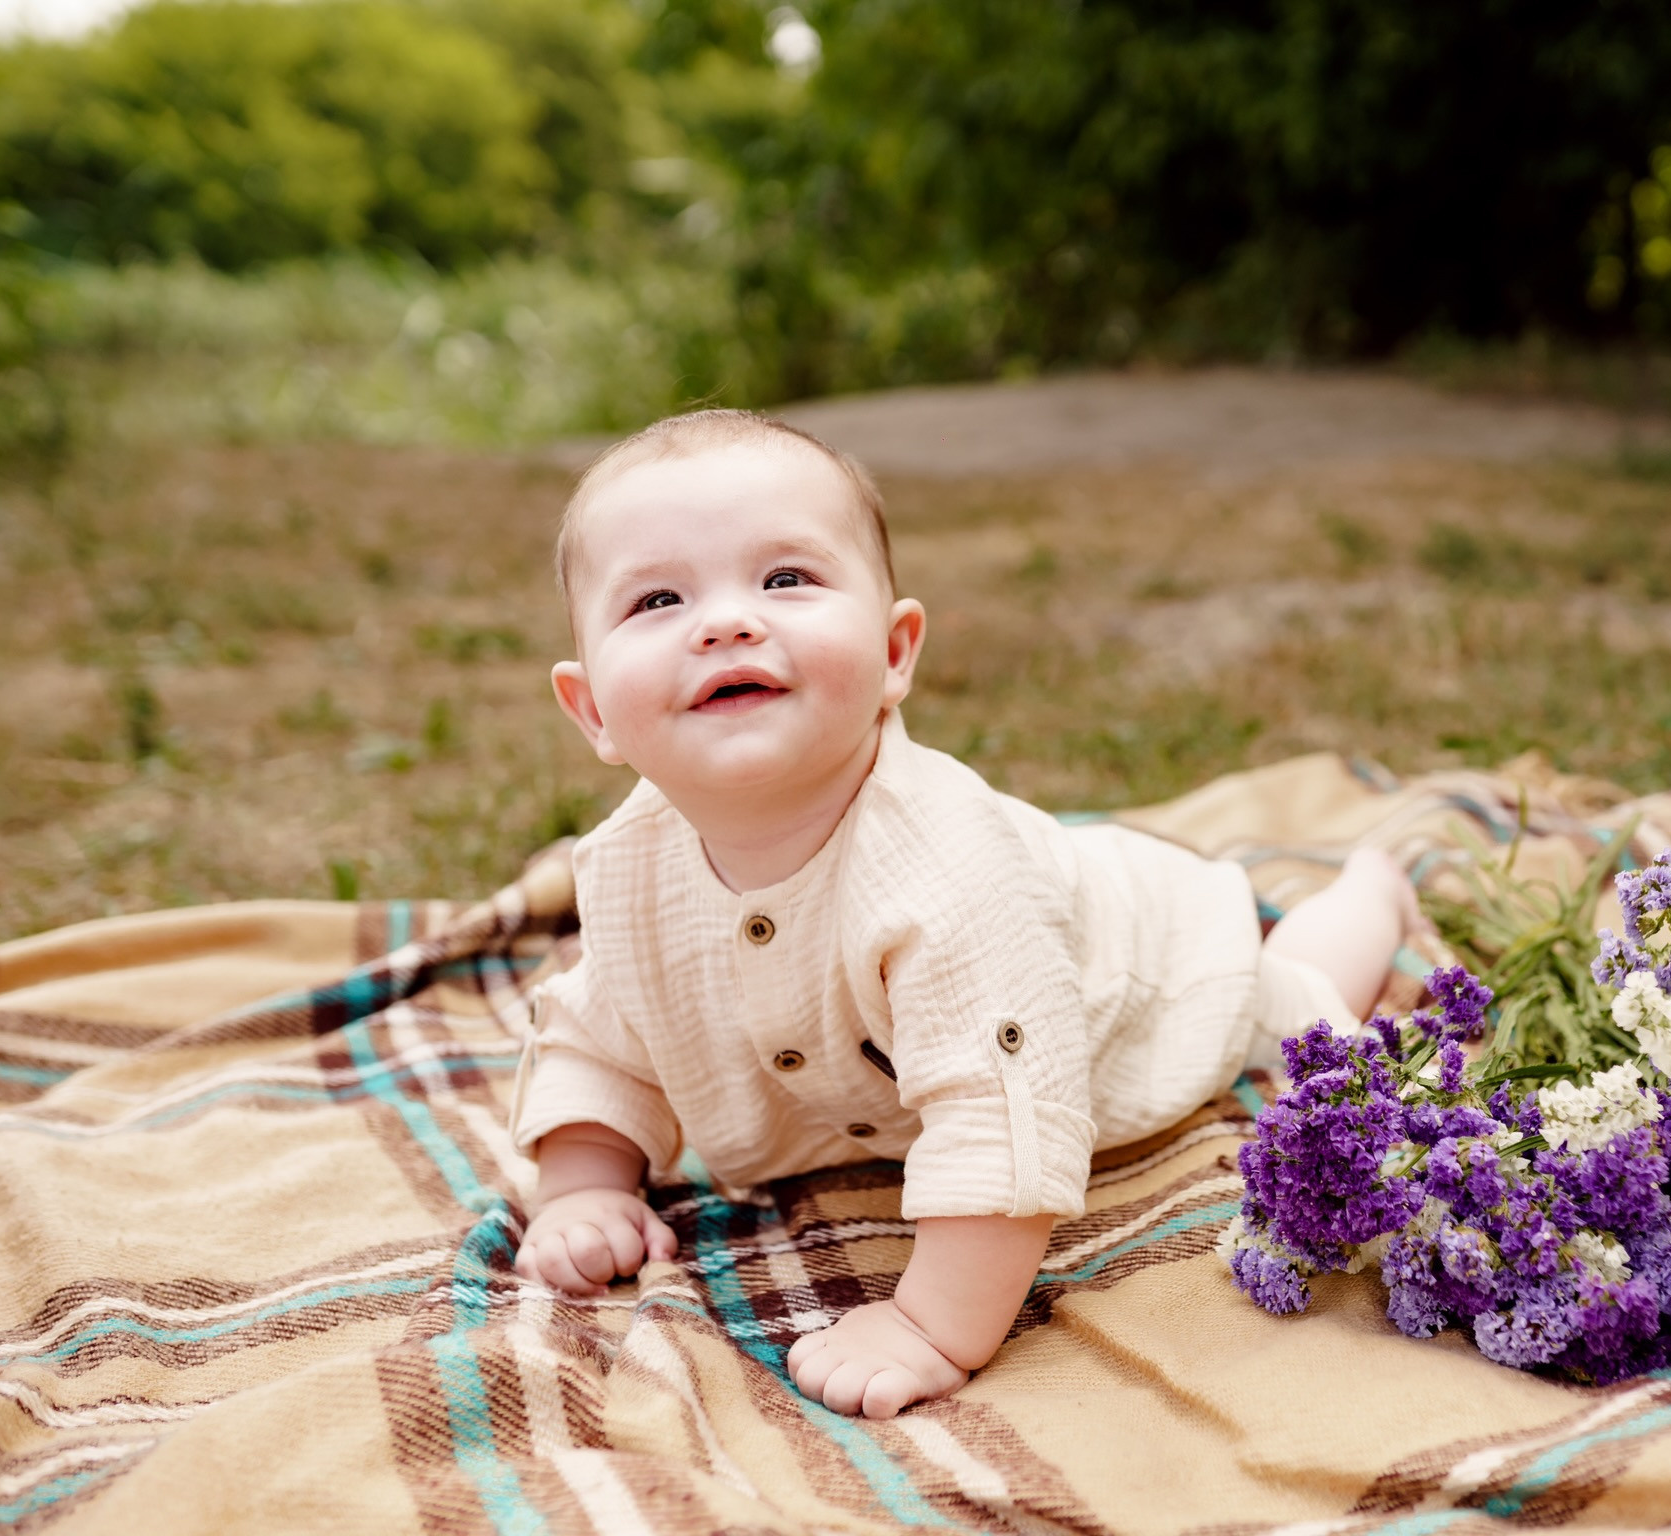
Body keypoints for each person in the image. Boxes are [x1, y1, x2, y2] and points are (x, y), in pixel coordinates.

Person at [510, 409, 1418, 1419]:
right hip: (1049, 906)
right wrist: (587, 1182)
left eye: (787, 581)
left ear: (896, 652)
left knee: (1295, 998)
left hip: (1150, 981)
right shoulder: (628, 871)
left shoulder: (945, 877)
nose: (726, 622)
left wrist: (929, 1325)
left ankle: (1371, 892)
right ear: (593, 711)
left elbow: (1003, 1120)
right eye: (658, 598)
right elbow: (603, 1027)